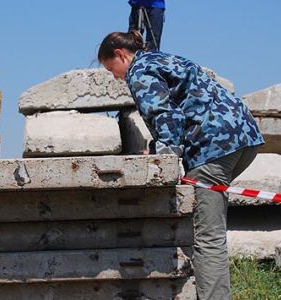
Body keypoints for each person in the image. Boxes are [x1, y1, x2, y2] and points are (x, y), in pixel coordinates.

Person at [98, 31, 264, 300]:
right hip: (244, 139)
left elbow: (165, 114)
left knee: (207, 237)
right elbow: (186, 106)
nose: (115, 76)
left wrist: (165, 161)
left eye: (111, 68)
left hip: (213, 148)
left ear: (120, 54)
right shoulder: (163, 59)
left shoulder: (139, 71)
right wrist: (156, 148)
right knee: (210, 226)